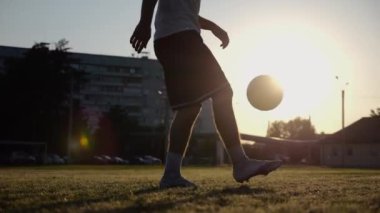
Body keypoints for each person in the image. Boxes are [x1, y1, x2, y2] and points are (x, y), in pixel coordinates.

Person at [130, 0, 282, 189]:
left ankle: (171, 174)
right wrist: (144, 23)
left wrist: (213, 27)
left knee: (189, 108)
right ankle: (240, 163)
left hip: (170, 39)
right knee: (222, 93)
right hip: (181, 37)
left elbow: (184, 11)